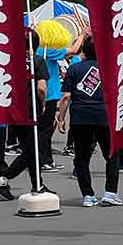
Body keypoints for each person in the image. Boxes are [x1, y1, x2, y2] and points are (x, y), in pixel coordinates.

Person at [55, 36, 120, 207]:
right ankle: (110, 192)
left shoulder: (74, 69)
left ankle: (87, 195)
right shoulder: (109, 69)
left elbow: (66, 96)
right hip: (104, 117)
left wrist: (61, 119)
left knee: (81, 158)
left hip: (80, 118)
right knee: (111, 155)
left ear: (83, 51)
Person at [0, 31, 49, 201]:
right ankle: (2, 179)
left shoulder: (10, 62)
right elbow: (41, 88)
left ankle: (37, 184)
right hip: (31, 111)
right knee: (33, 151)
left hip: (15, 111)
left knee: (30, 150)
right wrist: (43, 104)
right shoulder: (38, 61)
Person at [37, 29, 86, 173]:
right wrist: (82, 35)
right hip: (48, 93)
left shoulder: (40, 51)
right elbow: (73, 50)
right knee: (44, 130)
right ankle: (43, 161)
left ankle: (47, 160)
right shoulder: (46, 50)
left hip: (47, 93)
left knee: (46, 128)